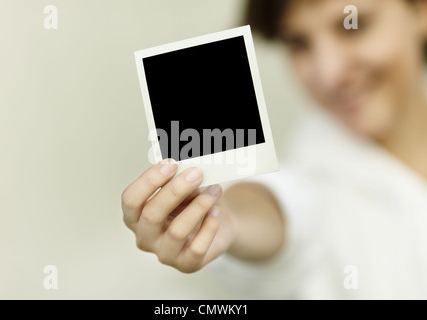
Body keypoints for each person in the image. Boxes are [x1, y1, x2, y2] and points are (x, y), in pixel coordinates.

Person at [122, 0, 427, 299]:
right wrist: (226, 219)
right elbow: (283, 212)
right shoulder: (313, 179)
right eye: (297, 42)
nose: (329, 73)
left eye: (353, 26)